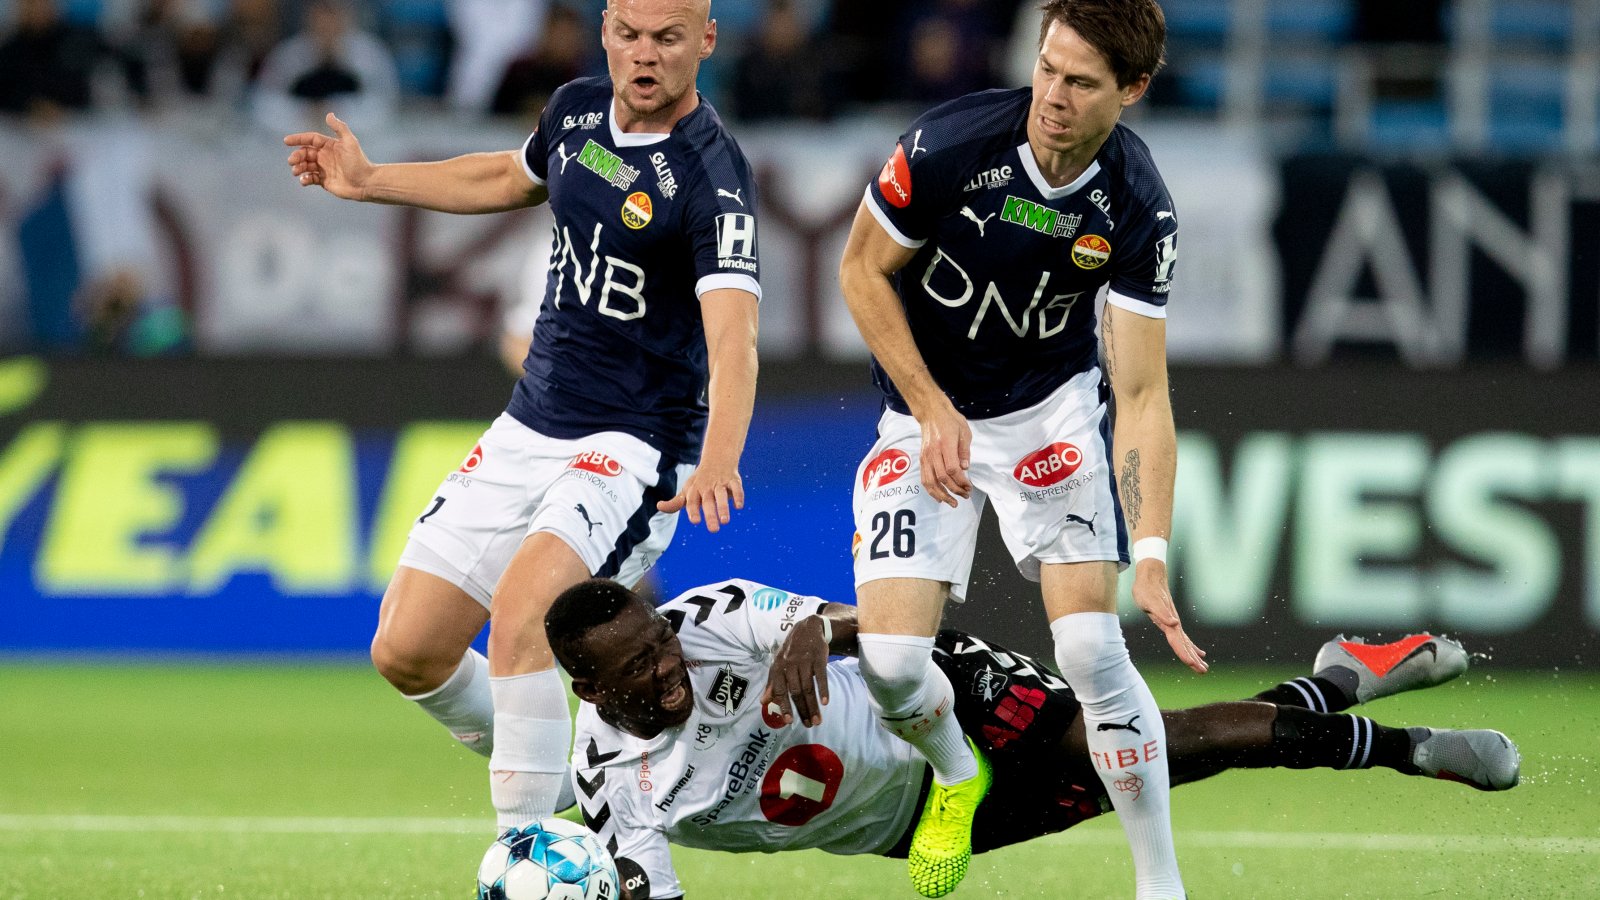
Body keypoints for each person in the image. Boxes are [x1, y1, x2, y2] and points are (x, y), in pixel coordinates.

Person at [283, 0, 762, 829]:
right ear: (605, 30)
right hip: (532, 422)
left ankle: (528, 851)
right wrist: (370, 181)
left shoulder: (712, 177)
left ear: (706, 41)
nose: (644, 55)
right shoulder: (575, 110)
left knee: (522, 619)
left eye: (668, 38)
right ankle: (566, 776)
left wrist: (720, 455)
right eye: (629, 35)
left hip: (636, 442)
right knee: (407, 650)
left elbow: (734, 339)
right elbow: (507, 176)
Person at [834, 1, 1194, 894]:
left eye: (1081, 83)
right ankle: (959, 774)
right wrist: (930, 407)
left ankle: (1161, 885)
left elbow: (1141, 393)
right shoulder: (951, 144)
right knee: (892, 668)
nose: (1054, 97)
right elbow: (860, 269)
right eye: (1047, 69)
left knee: (1093, 653)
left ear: (1132, 90)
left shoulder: (1139, 205)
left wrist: (1151, 550)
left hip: (1047, 416)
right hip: (923, 413)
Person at [546, 578, 1521, 900]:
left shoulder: (709, 617)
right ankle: (1342, 678)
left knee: (1138, 746)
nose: (669, 665)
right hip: (910, 828)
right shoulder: (613, 791)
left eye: (660, 642)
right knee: (1165, 761)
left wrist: (816, 628)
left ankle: (1407, 749)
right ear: (588, 690)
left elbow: (872, 620)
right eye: (639, 668)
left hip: (940, 700)